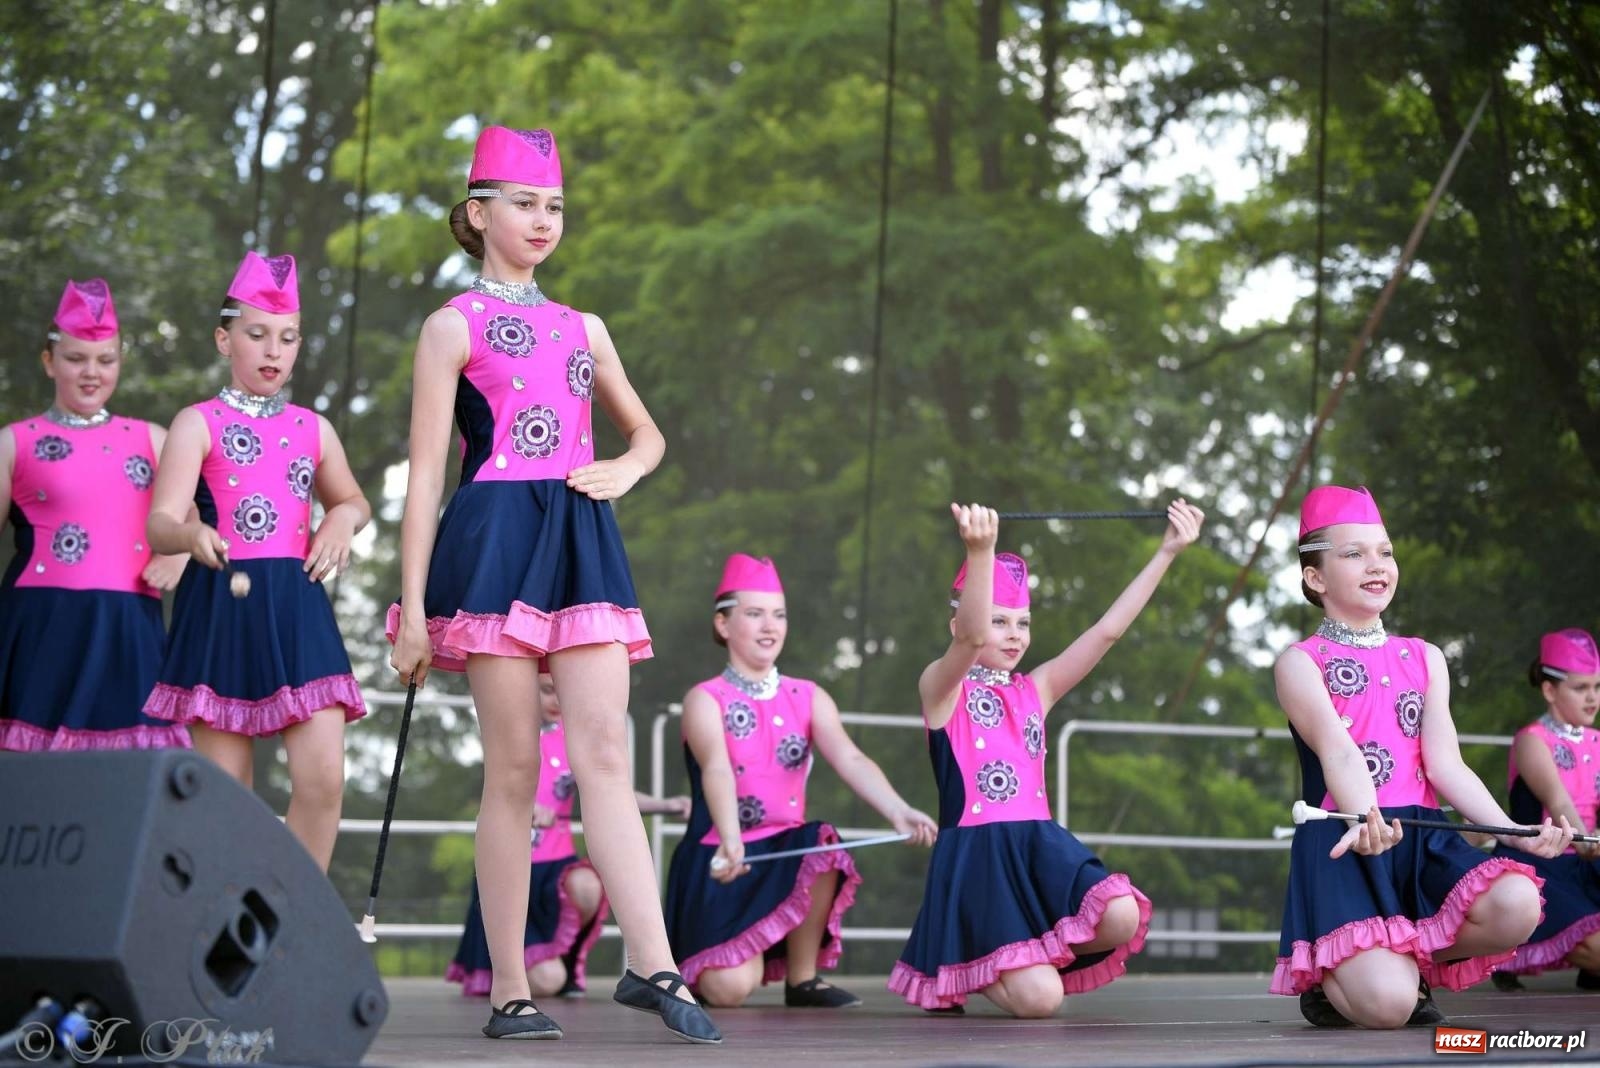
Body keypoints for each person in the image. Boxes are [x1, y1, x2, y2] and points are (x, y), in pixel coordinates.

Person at [387, 125, 720, 1043]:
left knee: (605, 752)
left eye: (555, 207)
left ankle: (654, 966)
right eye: (526, 204)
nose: (544, 221)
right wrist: (412, 611)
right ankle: (507, 989)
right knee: (516, 769)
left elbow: (647, 435)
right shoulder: (450, 326)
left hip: (581, 537)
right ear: (478, 211)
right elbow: (425, 476)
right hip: (493, 539)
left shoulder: (586, 327)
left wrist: (628, 468)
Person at [1272, 485, 1573, 1028]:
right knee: (1389, 1011)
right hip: (1351, 838)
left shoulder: (1425, 657)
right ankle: (1335, 979)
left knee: (1520, 903)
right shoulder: (1300, 662)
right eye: (1354, 553)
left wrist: (1510, 830)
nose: (1377, 564)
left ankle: (1403, 966)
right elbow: (1339, 752)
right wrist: (1368, 813)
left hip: (1425, 836)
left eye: (1385, 551)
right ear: (1315, 578)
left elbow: (1445, 764)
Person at [890, 500, 1204, 1016]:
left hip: (1037, 849)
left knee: (1120, 915)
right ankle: (976, 959)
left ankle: (1020, 955)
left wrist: (1167, 552)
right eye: (1000, 621)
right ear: (959, 623)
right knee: (1041, 1002)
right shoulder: (942, 689)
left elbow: (1107, 632)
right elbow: (970, 638)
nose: (1013, 634)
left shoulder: (1036, 690)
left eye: (1023, 622)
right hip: (980, 862)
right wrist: (981, 550)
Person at [143, 251, 369, 871]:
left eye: (288, 337)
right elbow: (159, 523)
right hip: (219, 607)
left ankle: (290, 917)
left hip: (298, 608)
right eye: (256, 334)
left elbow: (352, 499)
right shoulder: (197, 423)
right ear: (225, 338)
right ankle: (229, 925)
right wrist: (191, 538)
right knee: (228, 800)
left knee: (323, 782)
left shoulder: (313, 428)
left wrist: (342, 519)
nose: (274, 350)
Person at [664, 554, 937, 1008]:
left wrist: (897, 810)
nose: (770, 626)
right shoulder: (704, 698)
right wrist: (733, 841)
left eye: (779, 614)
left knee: (822, 843)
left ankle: (803, 976)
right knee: (728, 991)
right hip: (723, 856)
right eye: (754, 614)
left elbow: (850, 756)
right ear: (724, 624)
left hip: (784, 857)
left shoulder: (808, 696)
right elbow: (716, 768)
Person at [0, 279, 189, 751]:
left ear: (119, 364)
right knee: (34, 783)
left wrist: (180, 556)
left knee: (130, 782)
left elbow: (205, 519)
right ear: (49, 361)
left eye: (106, 360)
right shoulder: (12, 442)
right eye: (75, 358)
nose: (92, 373)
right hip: (42, 628)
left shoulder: (154, 438)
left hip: (129, 628)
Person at [449, 673, 691, 1000]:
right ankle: (510, 970)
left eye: (562, 692)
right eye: (548, 691)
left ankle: (563, 959)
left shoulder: (570, 739)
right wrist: (526, 807)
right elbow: (493, 795)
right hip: (512, 870)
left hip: (556, 872)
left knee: (588, 886)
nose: (558, 701)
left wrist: (667, 804)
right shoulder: (502, 734)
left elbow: (613, 793)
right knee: (547, 982)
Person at [1490, 628, 1600, 991]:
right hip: (1543, 864)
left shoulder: (1597, 741)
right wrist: (1588, 843)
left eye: (1597, 688)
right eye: (1581, 688)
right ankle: (1498, 950)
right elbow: (1560, 803)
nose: (1592, 699)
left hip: (1587, 862)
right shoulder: (1532, 741)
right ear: (1550, 690)